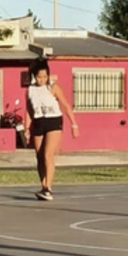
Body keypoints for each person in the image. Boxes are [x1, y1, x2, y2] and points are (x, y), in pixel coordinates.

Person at [24, 58, 79, 201]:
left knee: (48, 154)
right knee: (39, 156)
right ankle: (43, 186)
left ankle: (48, 188)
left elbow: (66, 106)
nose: (42, 79)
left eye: (44, 76)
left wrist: (74, 124)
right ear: (34, 76)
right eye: (39, 77)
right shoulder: (30, 90)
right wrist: (26, 128)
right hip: (38, 121)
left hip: (53, 121)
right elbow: (29, 110)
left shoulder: (53, 88)